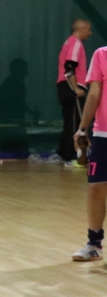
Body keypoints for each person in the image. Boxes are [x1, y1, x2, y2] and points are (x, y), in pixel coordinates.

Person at [73, 43, 107, 261]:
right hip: (103, 134)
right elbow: (94, 94)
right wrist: (83, 128)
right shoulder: (101, 55)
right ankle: (94, 244)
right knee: (96, 187)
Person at [58, 19, 91, 164]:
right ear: (81, 29)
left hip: (66, 87)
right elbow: (69, 67)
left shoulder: (69, 42)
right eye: (88, 30)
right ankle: (71, 156)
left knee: (70, 122)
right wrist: (76, 88)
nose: (90, 33)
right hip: (71, 87)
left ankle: (63, 153)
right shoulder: (75, 43)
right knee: (75, 123)